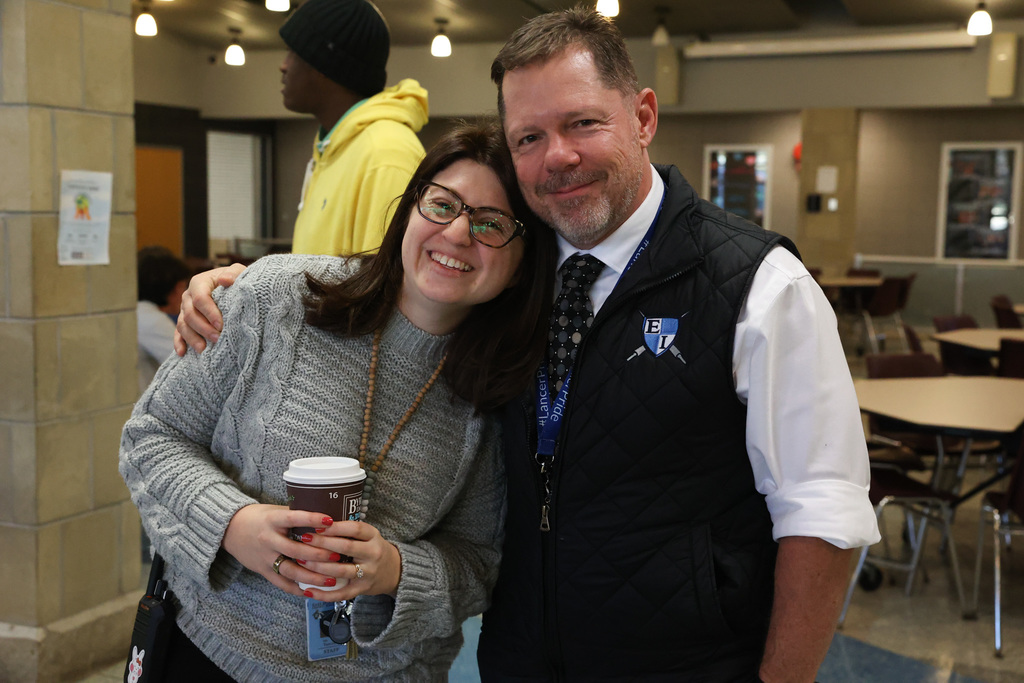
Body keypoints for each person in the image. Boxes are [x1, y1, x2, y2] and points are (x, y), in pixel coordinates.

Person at [175, 9, 880, 681]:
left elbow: (824, 511)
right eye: (529, 138)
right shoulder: (514, 266)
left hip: (684, 664)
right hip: (518, 660)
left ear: (643, 117)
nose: (559, 157)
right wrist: (246, 289)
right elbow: (409, 270)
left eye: (582, 123)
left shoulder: (758, 285)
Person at [120, 121, 556, 681]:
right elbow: (152, 436)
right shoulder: (278, 296)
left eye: (492, 223)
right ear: (409, 210)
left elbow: (479, 564)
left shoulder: (505, 390)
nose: (457, 232)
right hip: (206, 652)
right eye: (442, 204)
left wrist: (394, 569)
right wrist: (234, 524)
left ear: (525, 262)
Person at [279, 0, 428, 256]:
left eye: (294, 53)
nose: (283, 65)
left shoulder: (385, 154)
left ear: (325, 64)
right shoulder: (333, 147)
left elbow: (384, 288)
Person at [135, 246, 190, 395]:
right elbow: (187, 369)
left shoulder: (138, 312)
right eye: (184, 286)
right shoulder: (152, 320)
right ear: (176, 288)